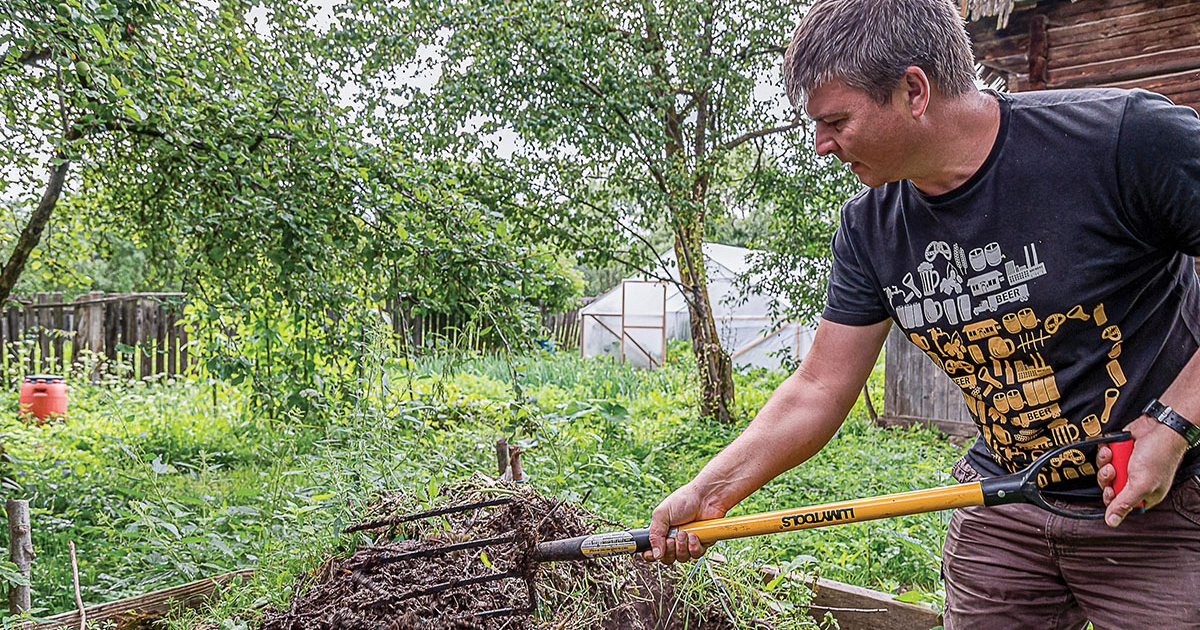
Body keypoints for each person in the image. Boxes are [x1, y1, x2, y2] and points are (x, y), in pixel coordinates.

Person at [641, 1, 1200, 628]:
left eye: (836, 121)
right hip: (1003, 503)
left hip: (1164, 504)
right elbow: (820, 386)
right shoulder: (871, 228)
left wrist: (1172, 424)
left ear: (914, 90)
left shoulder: (1124, 140)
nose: (821, 146)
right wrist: (710, 490)